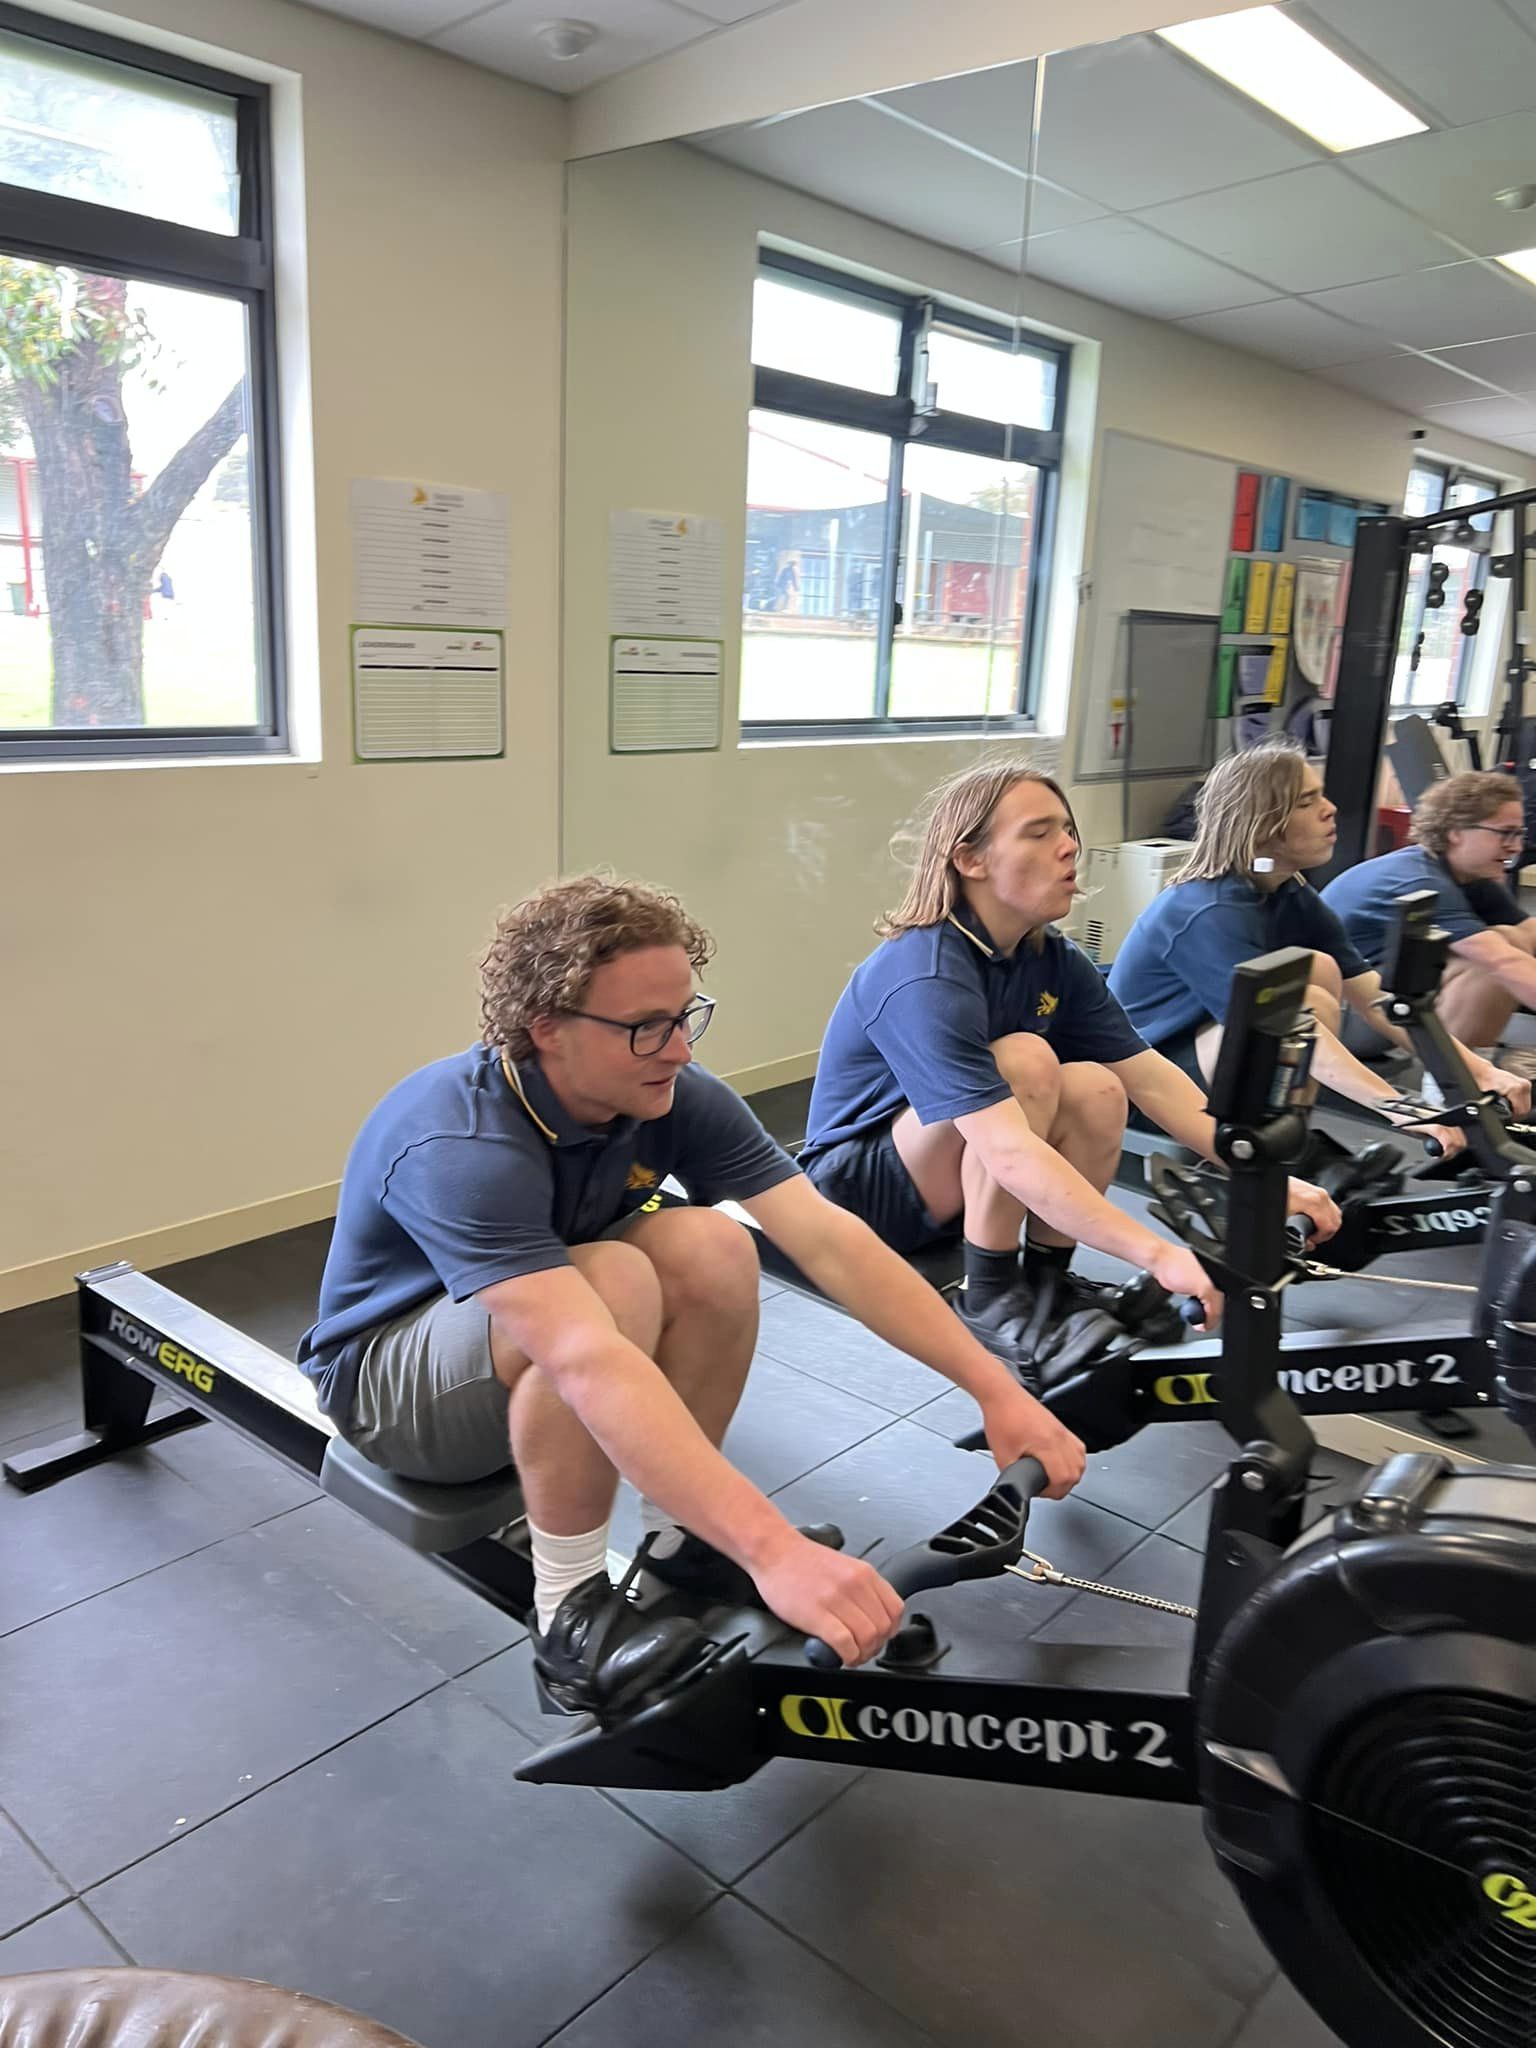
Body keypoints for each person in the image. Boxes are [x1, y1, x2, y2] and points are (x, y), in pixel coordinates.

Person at [298, 876, 1084, 1716]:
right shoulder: (460, 1142)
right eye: (645, 1028)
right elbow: (587, 1357)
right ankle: (566, 1614)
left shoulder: (669, 1095)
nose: (678, 1048)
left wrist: (1001, 1391)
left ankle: (682, 1542)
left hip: (531, 1330)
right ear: (547, 1031)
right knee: (613, 1282)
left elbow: (833, 1243)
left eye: (685, 1016)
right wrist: (774, 1550)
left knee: (710, 1241)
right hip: (386, 1385)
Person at [800, 759, 1341, 1374]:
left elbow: (1152, 1079)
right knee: (1028, 1060)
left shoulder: (1049, 955)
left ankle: (1048, 1280)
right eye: (1038, 833)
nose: (1069, 847)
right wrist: (1158, 1255)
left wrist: (1264, 1180)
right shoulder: (926, 971)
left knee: (1098, 1084)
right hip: (854, 1197)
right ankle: (991, 1295)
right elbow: (1006, 1152)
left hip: (942, 1166)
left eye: (1067, 830)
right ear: (970, 859)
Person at [1109, 744, 1528, 1146]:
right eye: (1307, 802)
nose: (1329, 810)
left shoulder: (1286, 889)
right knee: (1287, 1016)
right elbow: (1290, 1028)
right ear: (1264, 823)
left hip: (1203, 1049)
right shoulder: (1208, 909)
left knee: (1319, 971)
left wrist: (1474, 1073)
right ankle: (1249, 1153)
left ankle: (1284, 1143)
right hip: (1147, 1086)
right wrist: (1398, 1107)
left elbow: (1377, 999)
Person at [1322, 771, 1536, 1081]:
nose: (1516, 847)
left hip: (1386, 996)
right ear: (1456, 832)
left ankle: (1467, 1065)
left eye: (1519, 834)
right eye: (1505, 833)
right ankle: (1450, 1086)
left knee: (1512, 937)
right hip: (1346, 1017)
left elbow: (1529, 935)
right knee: (1490, 964)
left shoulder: (1465, 874)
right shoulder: (1420, 880)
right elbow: (1503, 962)